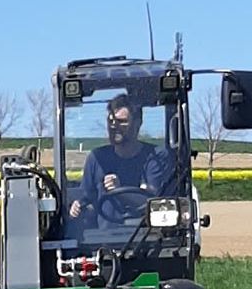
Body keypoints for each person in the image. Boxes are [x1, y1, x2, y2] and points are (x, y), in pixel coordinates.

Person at [68, 94, 175, 227]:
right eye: (111, 121)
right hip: (102, 241)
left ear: (138, 123)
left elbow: (157, 203)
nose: (114, 127)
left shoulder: (157, 158)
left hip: (145, 238)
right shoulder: (97, 158)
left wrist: (120, 190)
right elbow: (85, 196)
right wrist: (76, 205)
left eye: (121, 122)